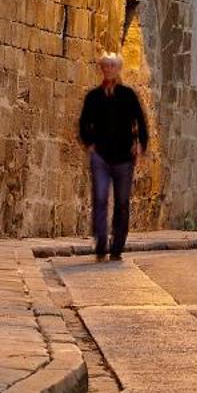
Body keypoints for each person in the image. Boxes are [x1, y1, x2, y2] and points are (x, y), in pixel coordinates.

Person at [78, 53, 148, 261]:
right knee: (99, 198)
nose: (108, 70)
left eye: (112, 66)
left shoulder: (128, 95)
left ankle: (117, 244)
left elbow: (140, 121)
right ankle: (101, 242)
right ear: (101, 69)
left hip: (123, 157)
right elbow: (84, 122)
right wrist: (89, 142)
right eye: (105, 66)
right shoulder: (94, 97)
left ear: (118, 69)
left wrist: (140, 144)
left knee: (122, 202)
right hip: (100, 155)